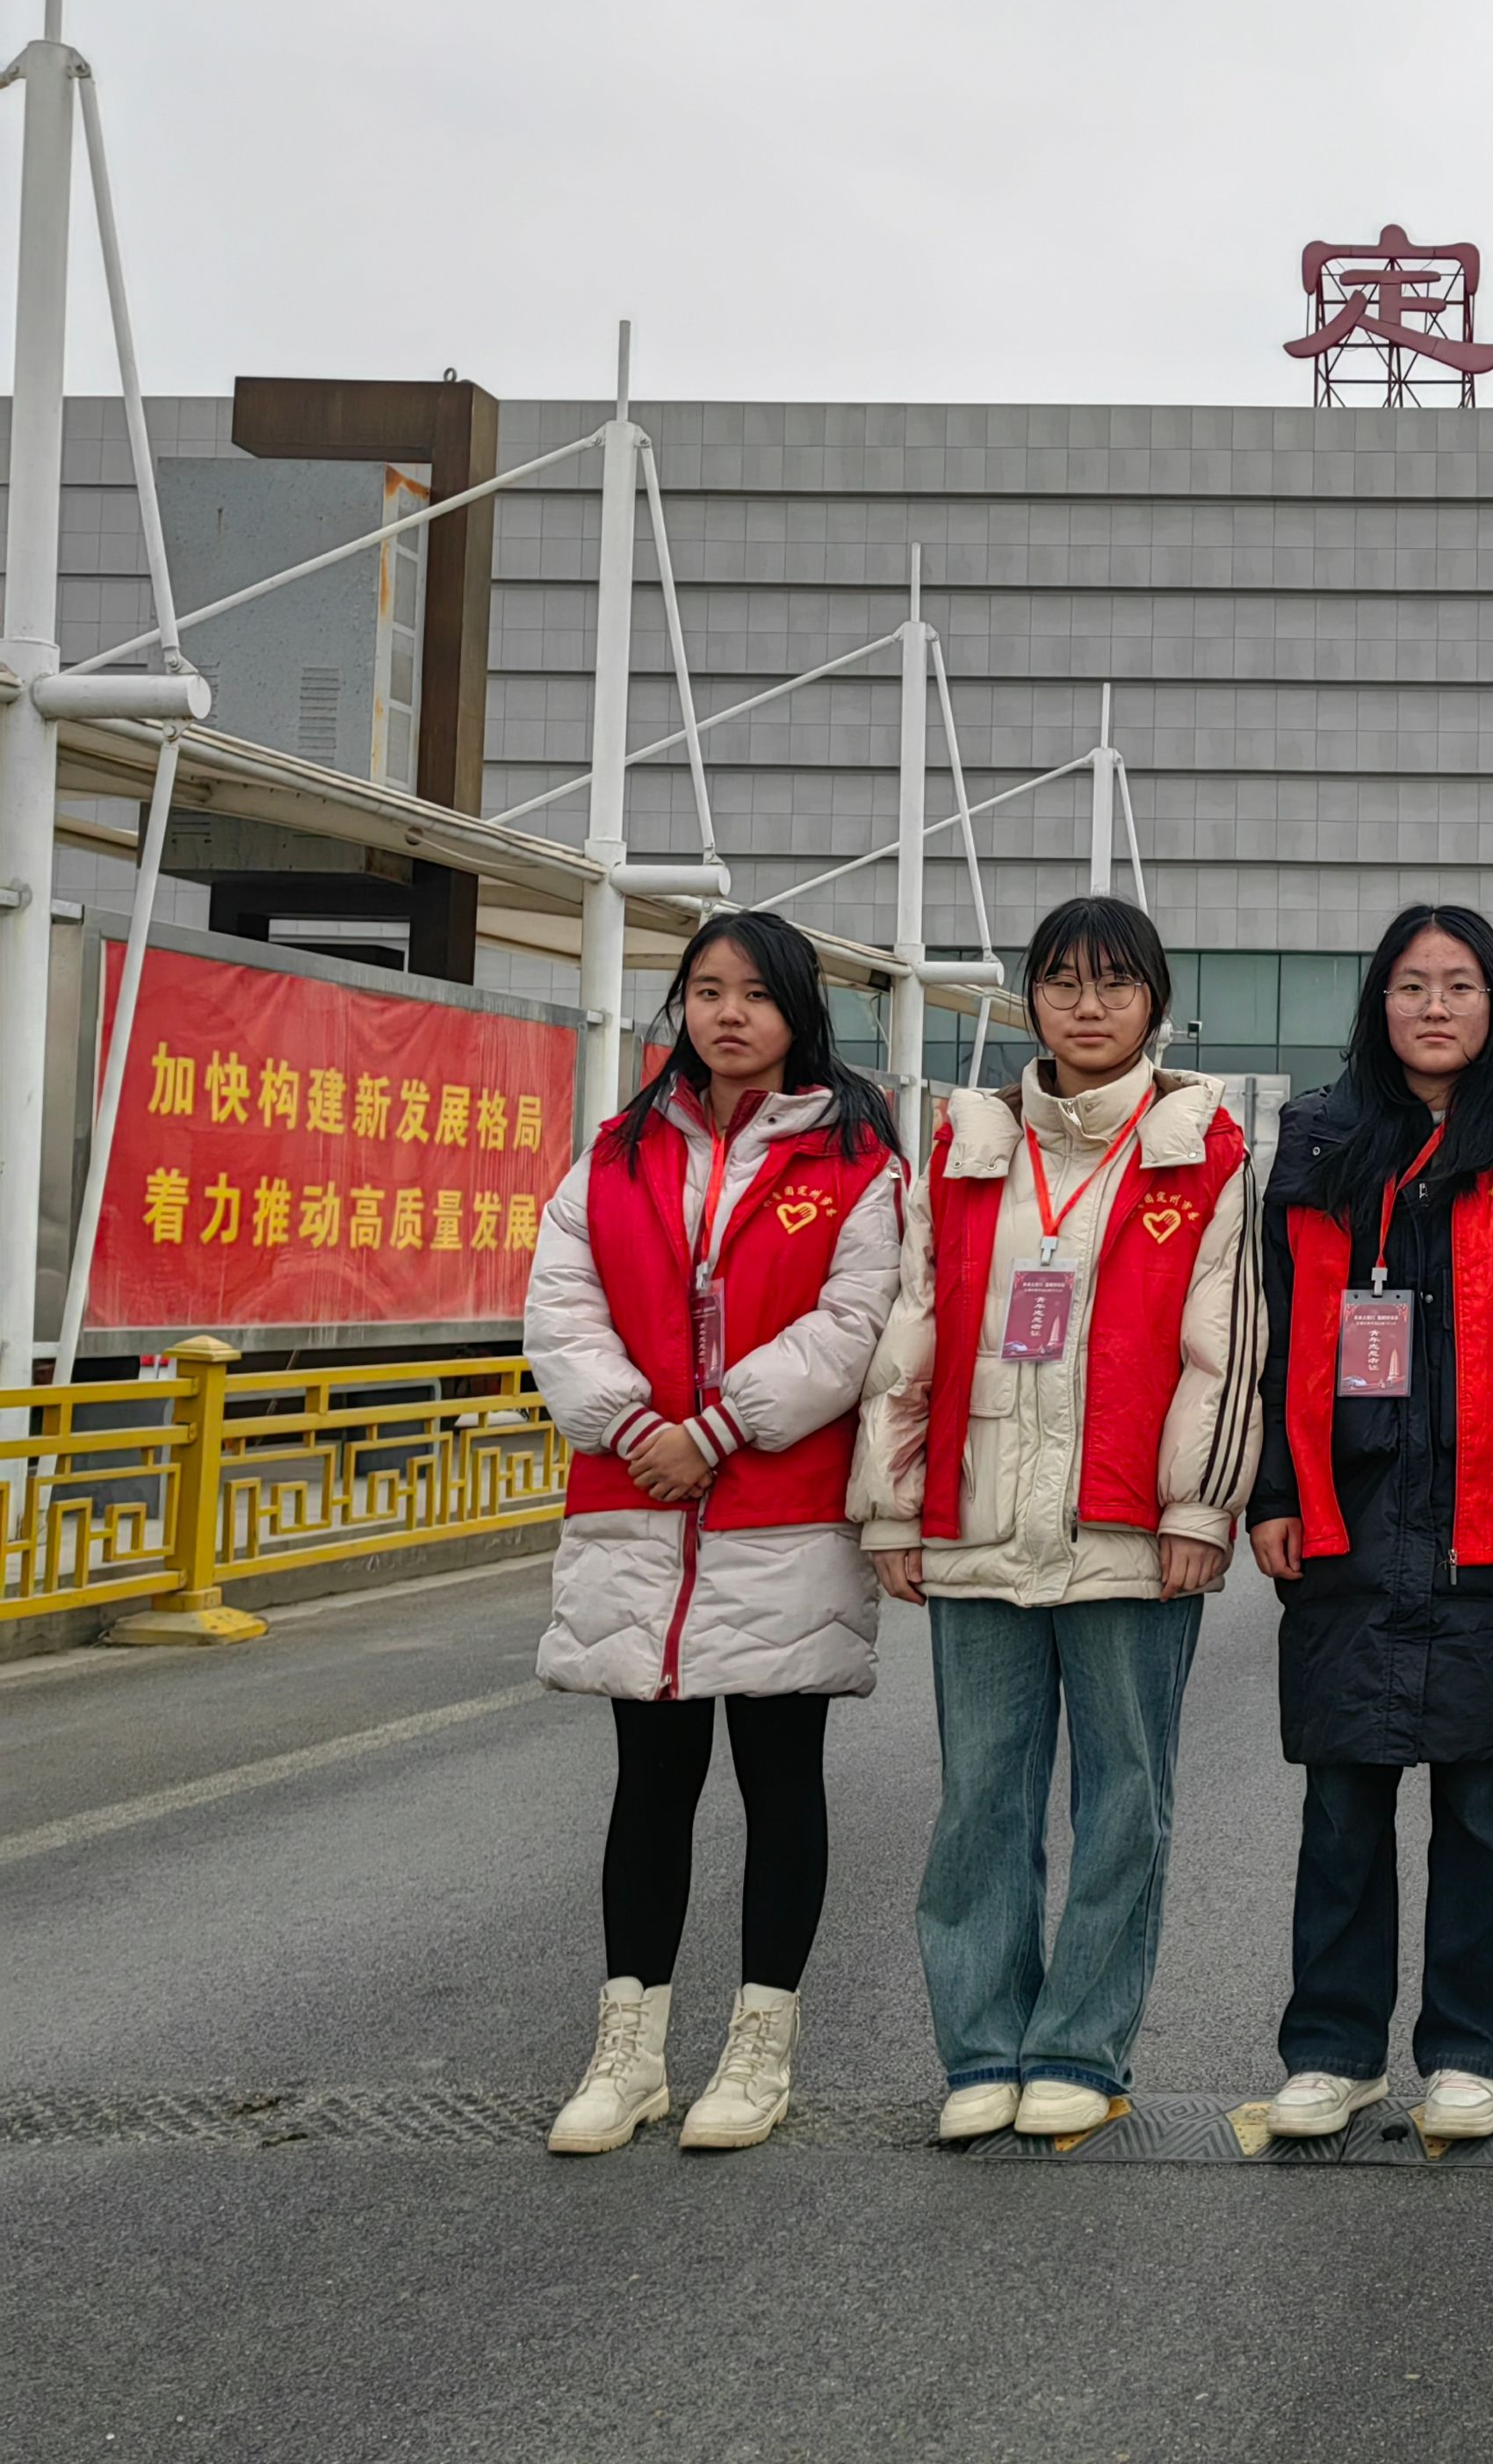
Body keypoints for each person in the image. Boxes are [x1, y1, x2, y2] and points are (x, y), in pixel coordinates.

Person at [851, 895, 1264, 2143]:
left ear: (1157, 1003)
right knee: (980, 1799)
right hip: (975, 1520)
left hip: (1134, 1527)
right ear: (1028, 997)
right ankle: (981, 2045)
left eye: (1116, 984)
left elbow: (1225, 1344)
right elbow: (908, 1326)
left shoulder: (1205, 1145)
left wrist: (1203, 1504)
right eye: (1064, 981)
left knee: (1126, 1802)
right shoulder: (966, 1142)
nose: (1089, 1006)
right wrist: (890, 1505)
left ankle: (1081, 2048)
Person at [1244, 906, 1493, 2143]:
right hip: (1348, 1512)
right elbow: (1265, 1330)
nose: (1433, 1006)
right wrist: (1270, 1491)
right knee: (1343, 1803)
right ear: (1379, 1005)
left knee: (1481, 1807)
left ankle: (1468, 2051)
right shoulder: (1316, 1142)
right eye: (1411, 985)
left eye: (1459, 985)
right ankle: (1333, 2051)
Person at [525, 909, 905, 2157]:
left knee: (780, 1780)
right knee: (650, 1782)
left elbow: (855, 1328)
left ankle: (760, 2047)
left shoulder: (859, 1162)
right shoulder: (616, 1153)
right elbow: (560, 1306)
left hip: (778, 1513)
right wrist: (636, 1423)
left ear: (799, 1007)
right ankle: (626, 2051)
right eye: (703, 990)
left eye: (751, 992)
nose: (725, 1013)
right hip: (638, 1508)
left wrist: (721, 1430)